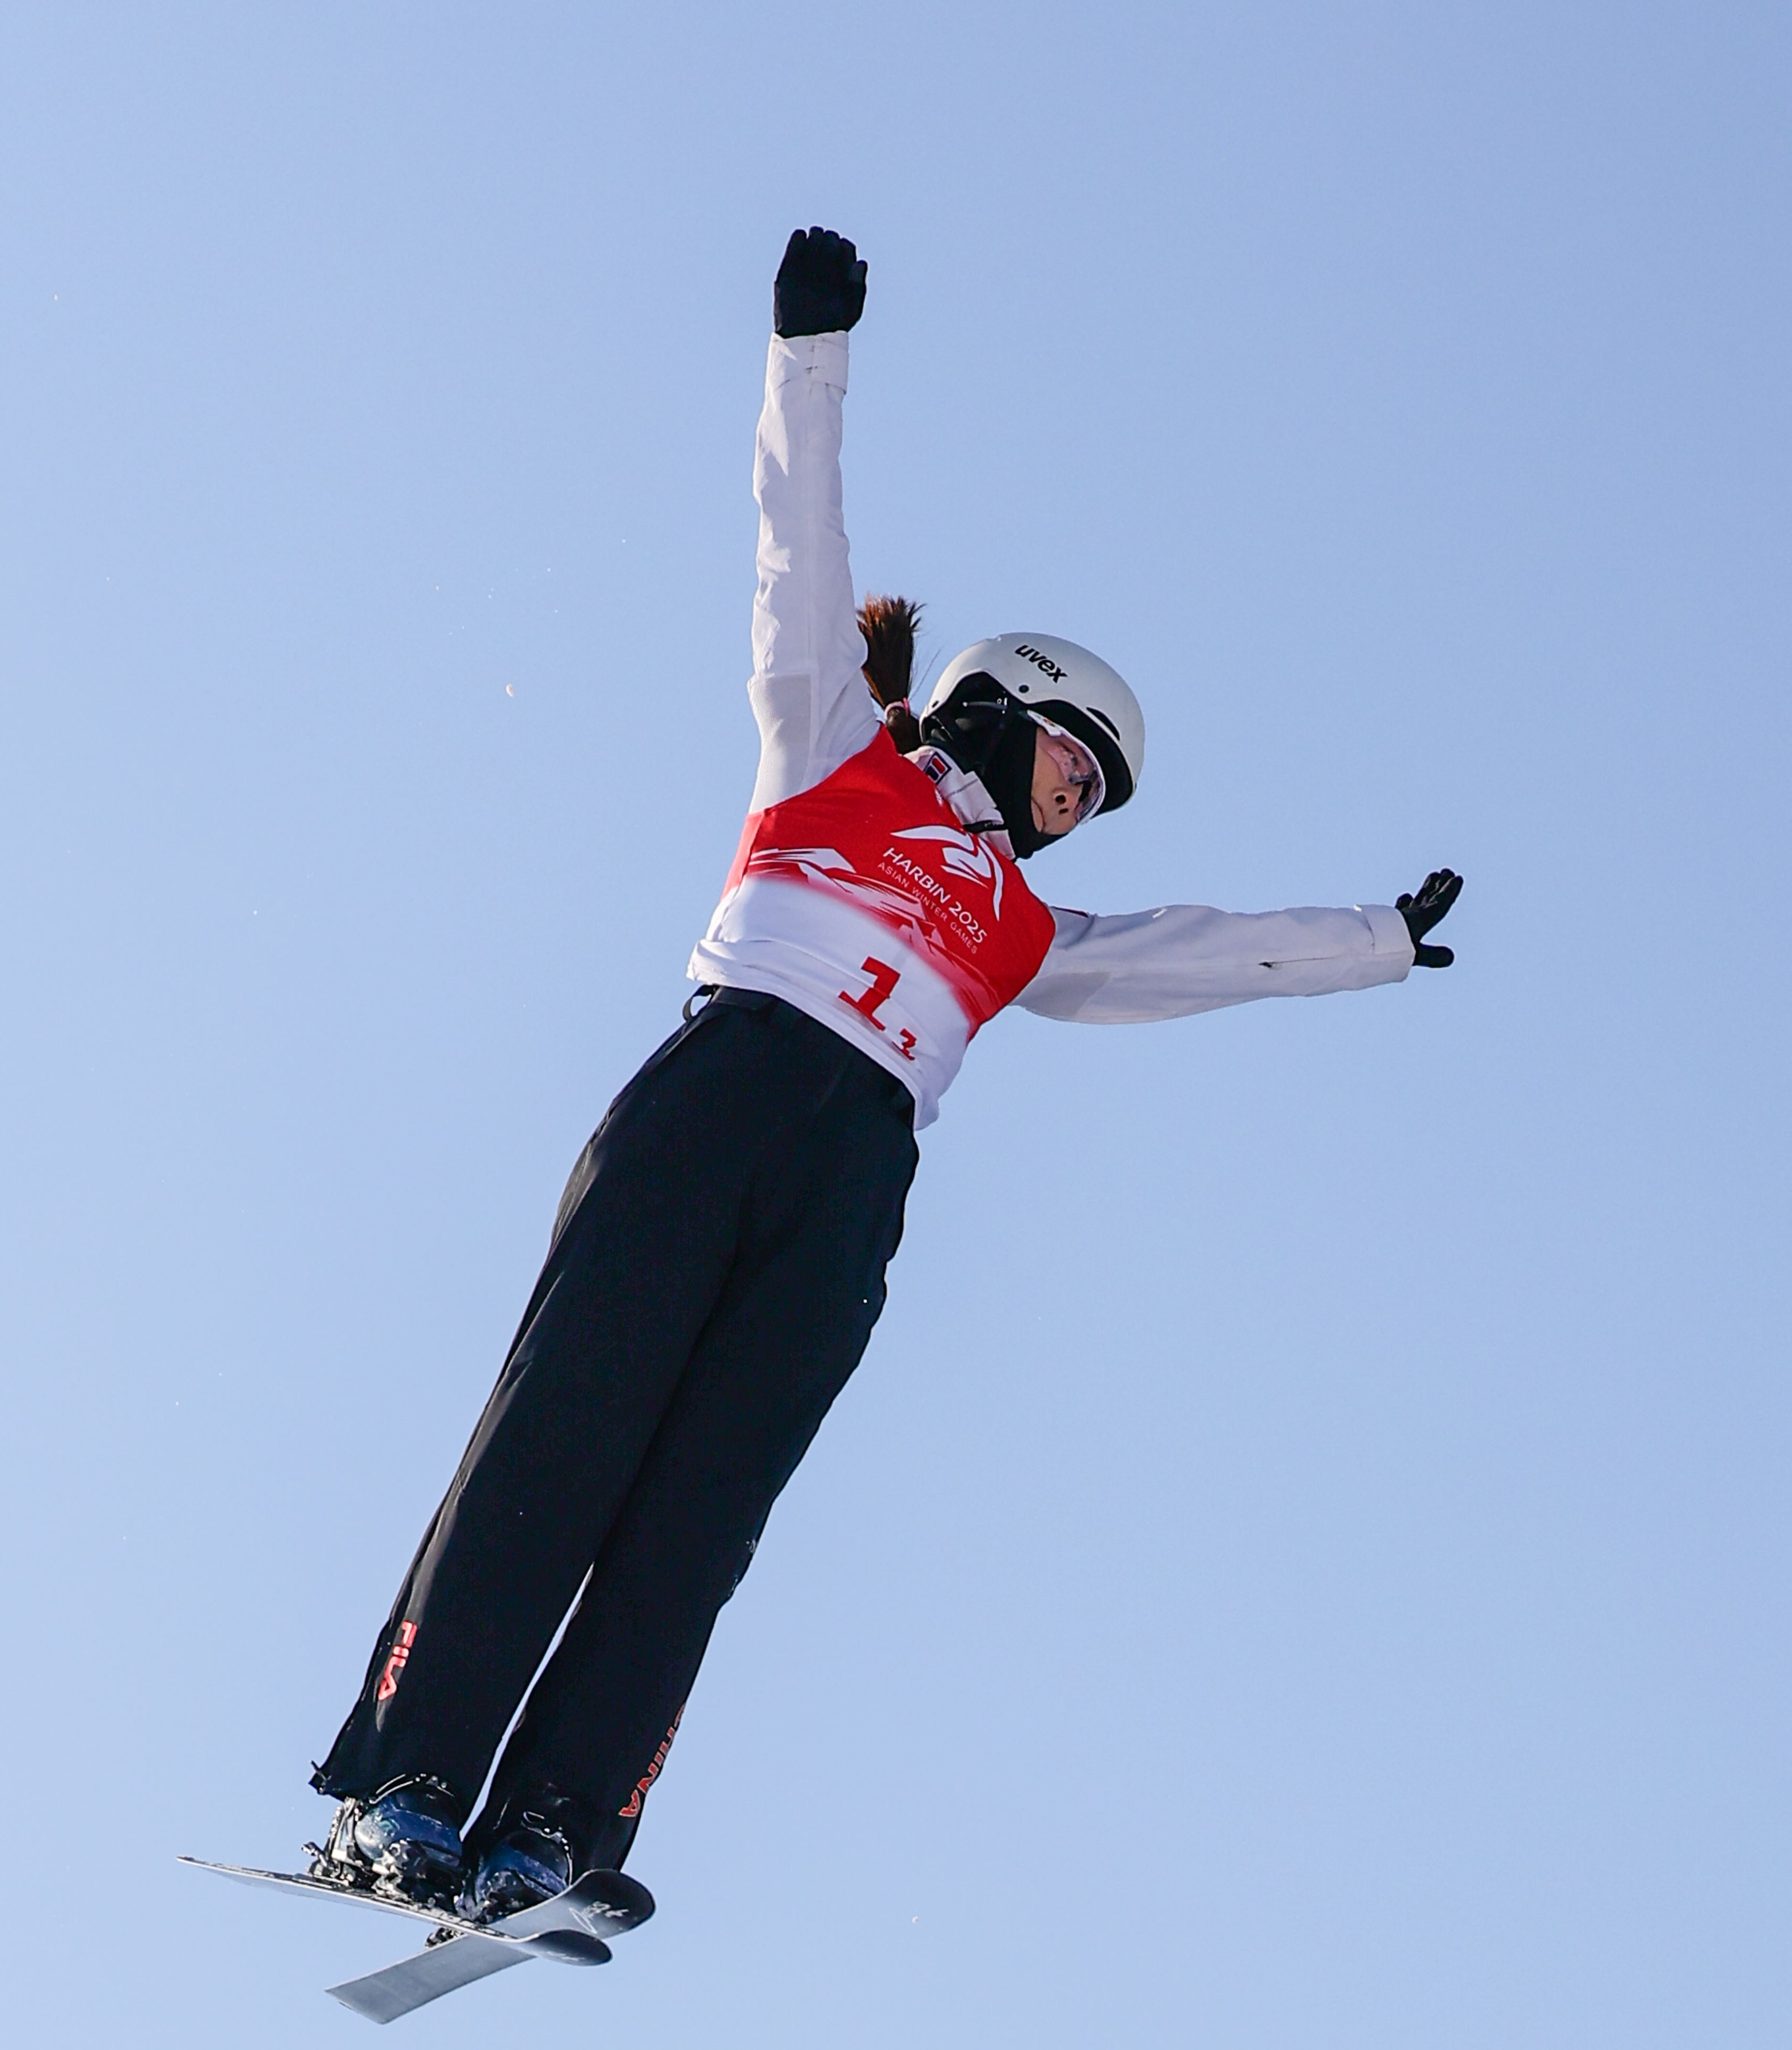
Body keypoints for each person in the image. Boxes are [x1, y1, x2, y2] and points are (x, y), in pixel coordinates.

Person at [310, 224, 1464, 1927]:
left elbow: (1195, 954)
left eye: (1098, 800)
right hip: (723, 1096)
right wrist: (811, 355)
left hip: (855, 1181)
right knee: (569, 1433)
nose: (1075, 807)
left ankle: (551, 1826)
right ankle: (407, 1787)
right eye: (1073, 766)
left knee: (702, 1512)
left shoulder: (1025, 928)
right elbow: (801, 549)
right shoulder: (830, 747)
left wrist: (1373, 938)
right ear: (1000, 707)